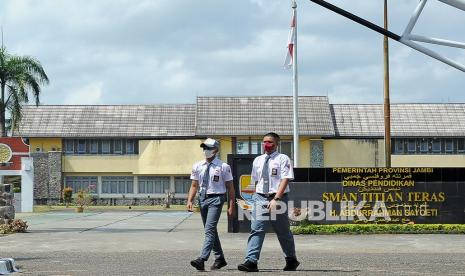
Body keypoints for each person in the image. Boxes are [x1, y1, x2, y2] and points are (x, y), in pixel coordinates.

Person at [238, 132, 299, 272]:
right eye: (264, 141)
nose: (266, 144)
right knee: (257, 228)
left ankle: (291, 259)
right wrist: (250, 199)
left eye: (270, 142)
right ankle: (251, 261)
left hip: (278, 197)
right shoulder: (258, 160)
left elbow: (285, 179)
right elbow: (254, 180)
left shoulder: (283, 158)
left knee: (282, 230)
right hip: (259, 197)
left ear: (277, 144)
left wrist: (276, 199)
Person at [187, 138, 235, 271]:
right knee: (211, 230)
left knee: (209, 230)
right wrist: (190, 200)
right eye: (204, 148)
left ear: (215, 150)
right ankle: (220, 258)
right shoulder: (197, 165)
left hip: (217, 199)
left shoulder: (223, 166)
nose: (205, 150)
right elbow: (194, 185)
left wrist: (231, 206)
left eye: (208, 148)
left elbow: (230, 187)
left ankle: (201, 259)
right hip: (203, 199)